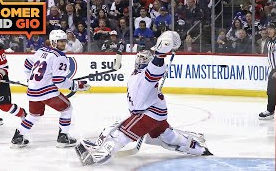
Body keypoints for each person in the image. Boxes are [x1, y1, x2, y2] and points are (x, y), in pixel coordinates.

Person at [75, 31, 212, 166]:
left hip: (148, 114)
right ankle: (198, 148)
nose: (140, 61)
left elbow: (156, 67)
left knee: (120, 133)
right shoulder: (139, 74)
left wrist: (160, 53)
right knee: (169, 137)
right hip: (156, 113)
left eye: (143, 60)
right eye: (139, 59)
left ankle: (100, 155)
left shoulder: (147, 74)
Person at [11, 30, 91, 148]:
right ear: (53, 42)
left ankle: (18, 136)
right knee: (67, 109)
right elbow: (59, 82)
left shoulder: (41, 50)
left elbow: (28, 63)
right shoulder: (60, 57)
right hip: (47, 91)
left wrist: (30, 79)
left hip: (33, 91)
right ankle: (63, 137)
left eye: (64, 41)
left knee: (34, 115)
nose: (63, 44)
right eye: (60, 41)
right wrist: (77, 85)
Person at [259, 22, 276, 119]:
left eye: (271, 29)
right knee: (270, 91)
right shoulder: (269, 41)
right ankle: (270, 111)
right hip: (274, 70)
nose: (269, 30)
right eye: (268, 28)